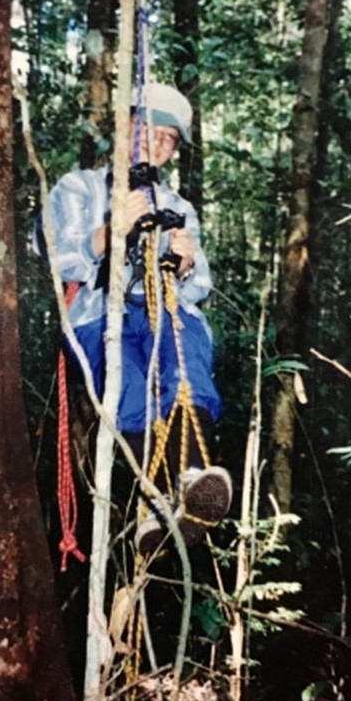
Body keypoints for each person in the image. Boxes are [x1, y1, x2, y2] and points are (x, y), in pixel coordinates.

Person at [36, 83, 231, 556]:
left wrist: (183, 262)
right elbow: (58, 261)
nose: (158, 144)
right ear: (124, 128)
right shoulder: (78, 188)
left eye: (169, 138)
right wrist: (112, 231)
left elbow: (199, 284)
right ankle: (162, 501)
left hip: (165, 310)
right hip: (101, 315)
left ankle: (184, 486)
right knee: (127, 385)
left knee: (184, 366)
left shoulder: (180, 208)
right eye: (149, 130)